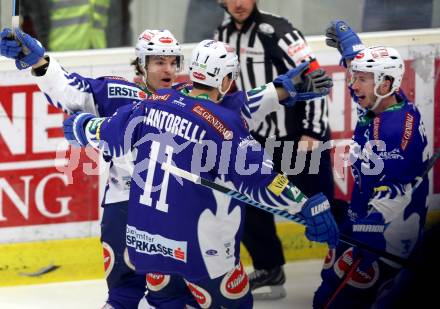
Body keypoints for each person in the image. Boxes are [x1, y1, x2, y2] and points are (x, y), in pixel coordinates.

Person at [0, 27, 332, 308]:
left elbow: (235, 104)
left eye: (174, 61)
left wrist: (281, 90)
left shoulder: (186, 96)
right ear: (141, 65)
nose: (168, 69)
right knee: (125, 291)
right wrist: (40, 62)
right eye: (159, 61)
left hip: (177, 206)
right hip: (125, 202)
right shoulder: (115, 91)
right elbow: (69, 88)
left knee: (177, 290)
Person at [214, 0, 335, 299]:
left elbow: (315, 77)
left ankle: (354, 257)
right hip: (257, 140)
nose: (239, 3)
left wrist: (312, 131)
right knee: (249, 203)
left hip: (298, 138)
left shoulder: (279, 31)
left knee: (322, 204)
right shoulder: (221, 35)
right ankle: (270, 267)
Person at [312, 20, 430, 308]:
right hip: (360, 216)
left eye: (360, 79)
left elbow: (394, 188)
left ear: (384, 83)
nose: (353, 86)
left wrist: (374, 225)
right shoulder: (385, 98)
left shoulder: (394, 129)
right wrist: (352, 49)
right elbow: (370, 71)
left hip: (385, 232)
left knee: (336, 302)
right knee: (328, 283)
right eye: (355, 77)